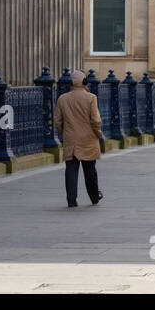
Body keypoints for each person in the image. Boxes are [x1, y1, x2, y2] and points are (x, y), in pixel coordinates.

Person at [53, 70, 104, 208]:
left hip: (71, 139)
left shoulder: (62, 99)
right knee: (90, 170)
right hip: (88, 139)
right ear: (85, 82)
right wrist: (98, 133)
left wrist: (64, 133)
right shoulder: (91, 98)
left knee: (71, 169)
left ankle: (71, 199)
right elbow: (96, 120)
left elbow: (58, 121)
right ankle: (94, 197)